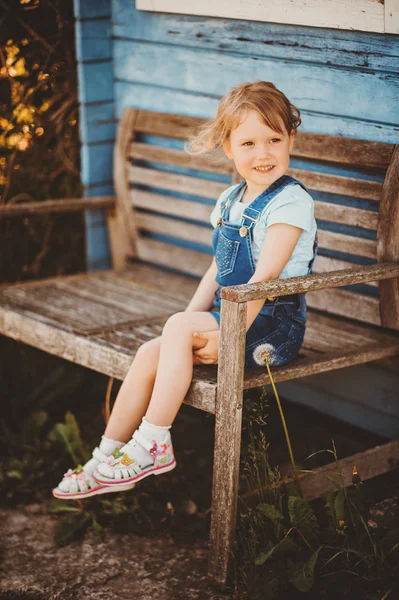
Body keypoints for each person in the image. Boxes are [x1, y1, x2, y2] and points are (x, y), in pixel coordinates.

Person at [52, 80, 318, 500]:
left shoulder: (291, 203)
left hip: (269, 328)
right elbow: (219, 267)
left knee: (176, 330)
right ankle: (105, 457)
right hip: (232, 315)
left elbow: (263, 282)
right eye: (248, 142)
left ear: (291, 139)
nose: (263, 153)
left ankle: (154, 441)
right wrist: (184, 321)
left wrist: (228, 338)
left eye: (274, 139)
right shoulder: (232, 199)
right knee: (150, 351)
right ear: (229, 148)